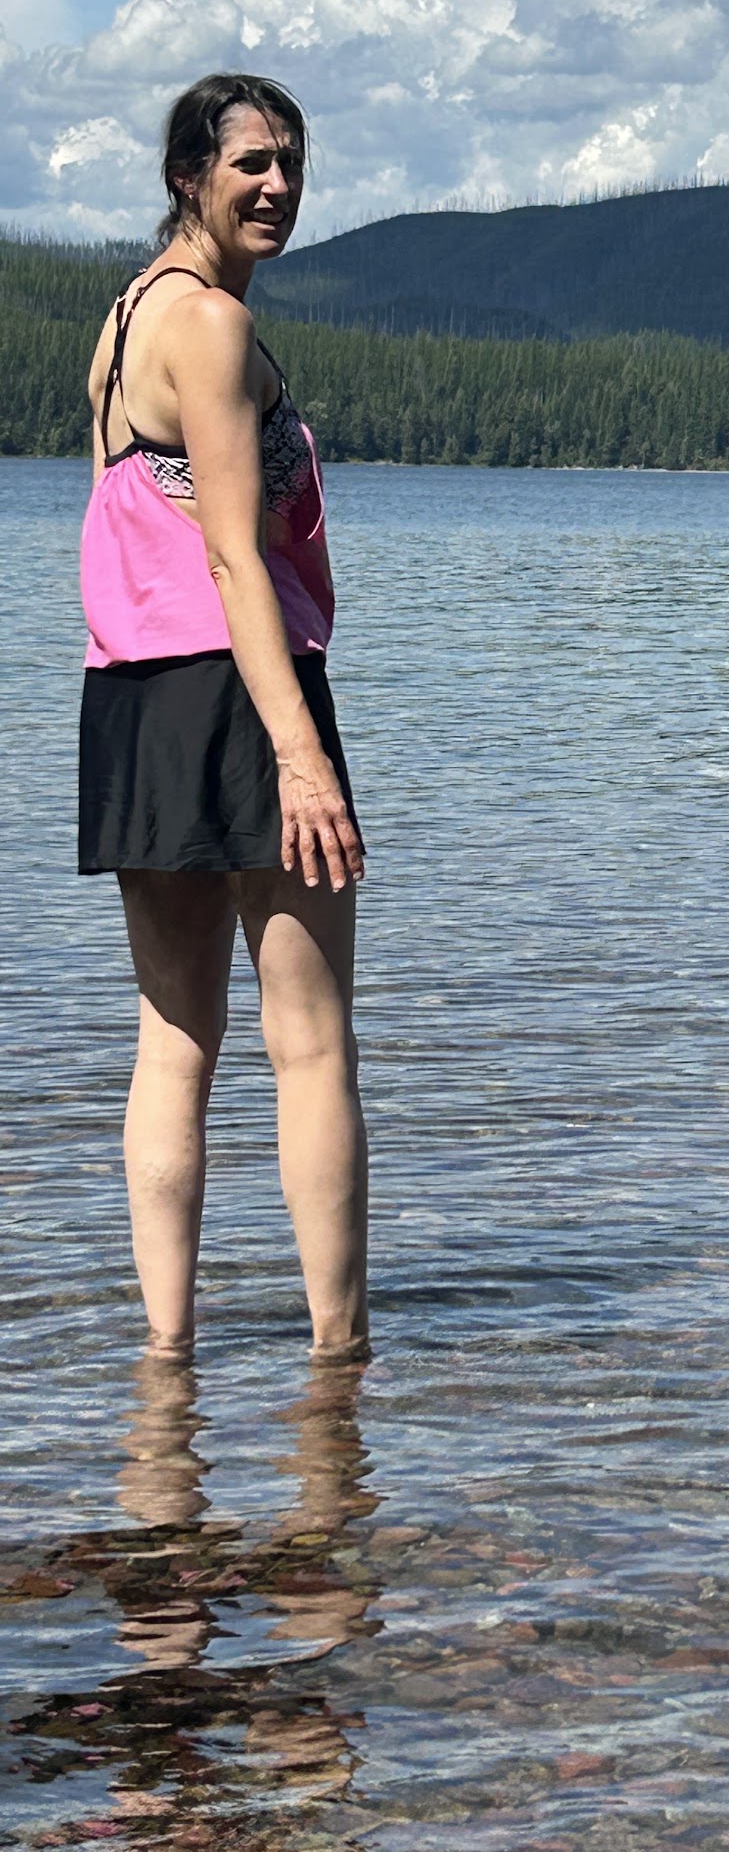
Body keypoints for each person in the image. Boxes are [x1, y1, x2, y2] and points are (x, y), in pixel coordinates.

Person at [78, 71, 368, 1363]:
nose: (277, 184)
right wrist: (300, 755)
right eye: (251, 160)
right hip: (242, 694)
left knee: (173, 1041)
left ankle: (166, 1357)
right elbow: (239, 560)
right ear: (186, 175)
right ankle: (338, 1356)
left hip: (137, 698)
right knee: (306, 1042)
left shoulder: (125, 321)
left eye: (292, 162)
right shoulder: (207, 328)